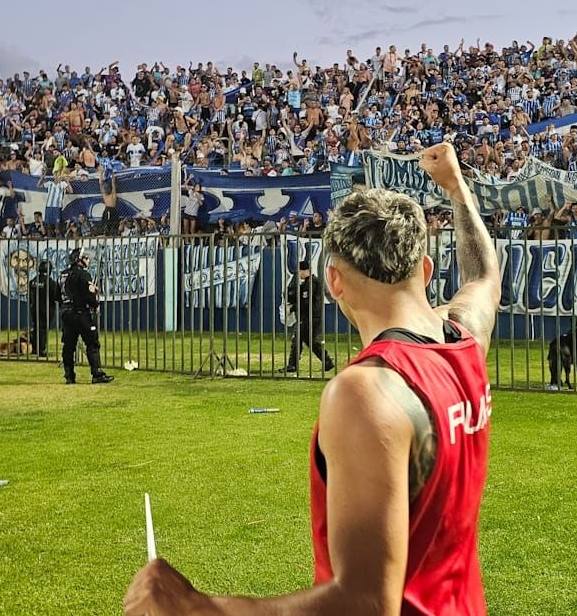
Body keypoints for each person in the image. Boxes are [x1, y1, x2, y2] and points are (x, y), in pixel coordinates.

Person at [124, 141, 501, 615]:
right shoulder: (464, 340)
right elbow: (484, 275)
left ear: (335, 282)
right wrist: (456, 187)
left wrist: (198, 608)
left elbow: (365, 602)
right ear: (425, 270)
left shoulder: (367, 390)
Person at [59, 248, 114, 384]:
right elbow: (87, 296)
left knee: (68, 345)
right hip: (80, 313)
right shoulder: (83, 275)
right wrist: (95, 303)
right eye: (86, 257)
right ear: (79, 259)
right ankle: (97, 374)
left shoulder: (62, 275)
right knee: (92, 343)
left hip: (66, 313)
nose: (88, 260)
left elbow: (58, 294)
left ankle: (69, 376)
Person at [278, 260, 334, 374]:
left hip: (308, 317)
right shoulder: (311, 282)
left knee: (296, 339)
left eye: (300, 271)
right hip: (312, 316)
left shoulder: (310, 284)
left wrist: (292, 308)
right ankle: (327, 362)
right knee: (311, 342)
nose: (299, 273)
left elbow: (305, 302)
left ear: (305, 270)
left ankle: (292, 365)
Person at [28, 260, 61, 358]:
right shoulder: (50, 282)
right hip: (46, 309)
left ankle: (35, 348)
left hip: (34, 308)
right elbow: (56, 297)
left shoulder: (33, 281)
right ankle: (41, 349)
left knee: (36, 327)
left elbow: (30, 296)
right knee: (43, 329)